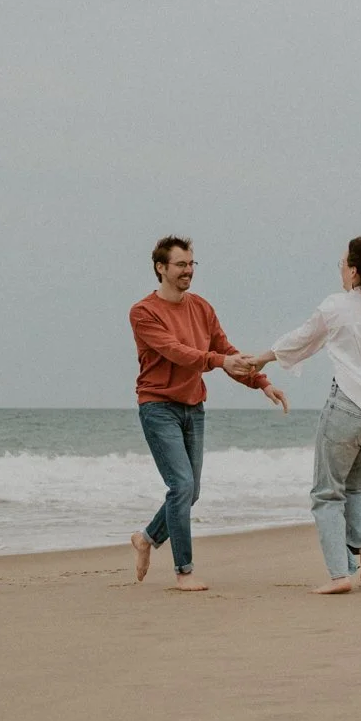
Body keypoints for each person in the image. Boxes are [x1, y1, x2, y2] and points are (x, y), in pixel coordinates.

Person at [240, 236, 361, 594]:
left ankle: (340, 575)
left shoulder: (338, 306)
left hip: (349, 409)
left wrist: (261, 358)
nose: (340, 271)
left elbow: (303, 339)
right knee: (354, 486)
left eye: (342, 264)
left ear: (355, 271)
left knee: (326, 493)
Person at [129, 236, 289, 591]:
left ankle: (146, 539)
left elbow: (226, 351)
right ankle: (183, 571)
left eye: (191, 265)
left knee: (190, 490)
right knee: (181, 485)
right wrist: (218, 361)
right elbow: (178, 352)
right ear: (161, 268)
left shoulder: (201, 308)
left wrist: (262, 383)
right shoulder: (143, 313)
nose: (188, 271)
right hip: (157, 407)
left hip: (193, 407)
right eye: (181, 265)